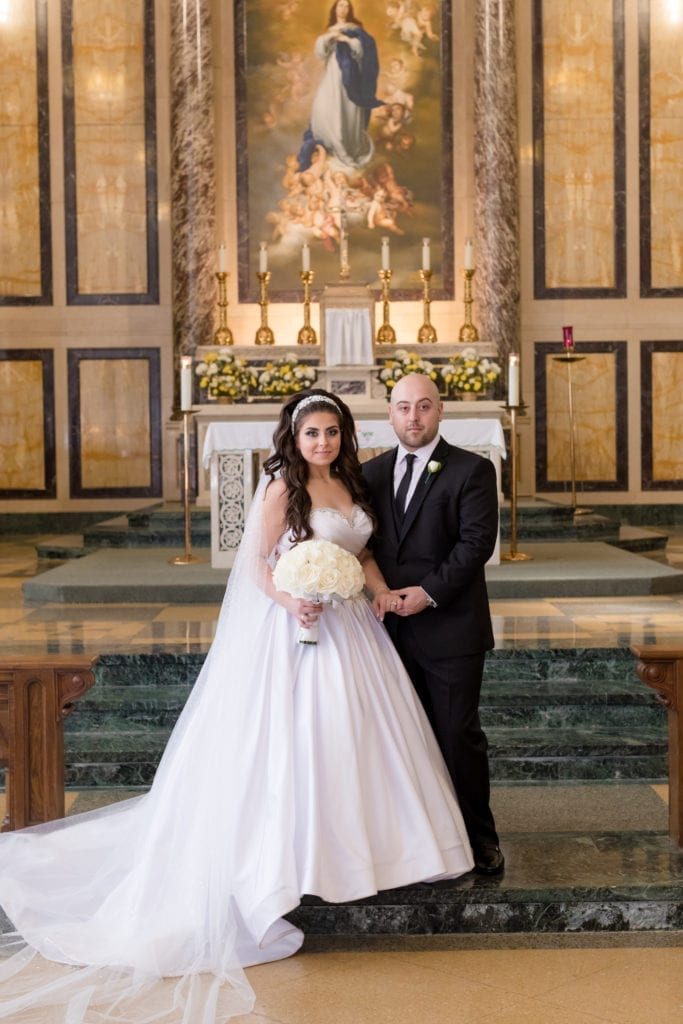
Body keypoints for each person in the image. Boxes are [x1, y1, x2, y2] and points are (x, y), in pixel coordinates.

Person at [0, 389, 473, 1024]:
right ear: (295, 437)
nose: (323, 444)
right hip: (297, 628)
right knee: (299, 743)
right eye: (312, 434)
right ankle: (291, 866)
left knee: (360, 740)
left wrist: (381, 594)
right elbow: (257, 562)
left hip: (355, 628)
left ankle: (370, 854)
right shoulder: (282, 485)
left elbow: (359, 552)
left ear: (345, 435)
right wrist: (291, 601)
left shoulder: (356, 483)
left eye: (332, 433)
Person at [362, 373, 505, 875]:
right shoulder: (370, 473)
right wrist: (382, 593)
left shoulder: (471, 470)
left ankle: (479, 837)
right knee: (401, 739)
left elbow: (475, 546)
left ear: (440, 411)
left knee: (456, 734)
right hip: (384, 629)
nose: (413, 417)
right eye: (404, 408)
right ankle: (418, 844)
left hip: (450, 628)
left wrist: (426, 595)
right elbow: (364, 547)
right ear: (390, 414)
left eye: (424, 407)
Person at [298, 0, 382, 172]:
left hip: (350, 78)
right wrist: (329, 37)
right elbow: (321, 53)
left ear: (350, 10)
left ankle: (346, 152)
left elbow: (362, 51)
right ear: (334, 8)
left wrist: (346, 39)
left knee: (347, 112)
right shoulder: (329, 30)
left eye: (346, 6)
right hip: (332, 76)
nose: (343, 9)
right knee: (325, 110)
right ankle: (336, 150)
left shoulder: (355, 30)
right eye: (340, 6)